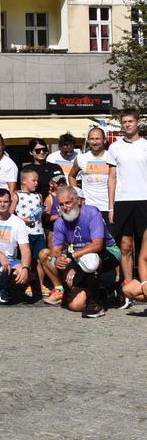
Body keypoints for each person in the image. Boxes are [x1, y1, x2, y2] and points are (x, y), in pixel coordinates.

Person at [46, 186, 120, 318]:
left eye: (68, 202)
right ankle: (103, 292)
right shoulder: (59, 223)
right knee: (76, 306)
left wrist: (72, 258)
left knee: (89, 260)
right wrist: (58, 259)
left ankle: (96, 305)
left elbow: (97, 245)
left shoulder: (92, 213)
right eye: (61, 204)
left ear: (78, 201)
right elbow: (55, 250)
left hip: (107, 252)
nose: (65, 207)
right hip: (79, 257)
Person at [107, 109, 147, 292]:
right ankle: (129, 288)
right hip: (123, 201)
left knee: (145, 249)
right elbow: (112, 178)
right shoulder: (115, 147)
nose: (128, 124)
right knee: (125, 246)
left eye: (131, 121)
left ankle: (145, 288)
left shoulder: (146, 145)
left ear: (138, 123)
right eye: (124, 122)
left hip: (144, 200)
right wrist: (111, 207)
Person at [69, 127, 114, 225]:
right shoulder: (81, 158)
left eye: (97, 139)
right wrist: (77, 195)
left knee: (111, 239)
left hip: (109, 207)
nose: (94, 142)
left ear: (105, 140)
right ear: (88, 140)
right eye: (92, 139)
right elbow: (71, 176)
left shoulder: (112, 156)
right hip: (88, 207)